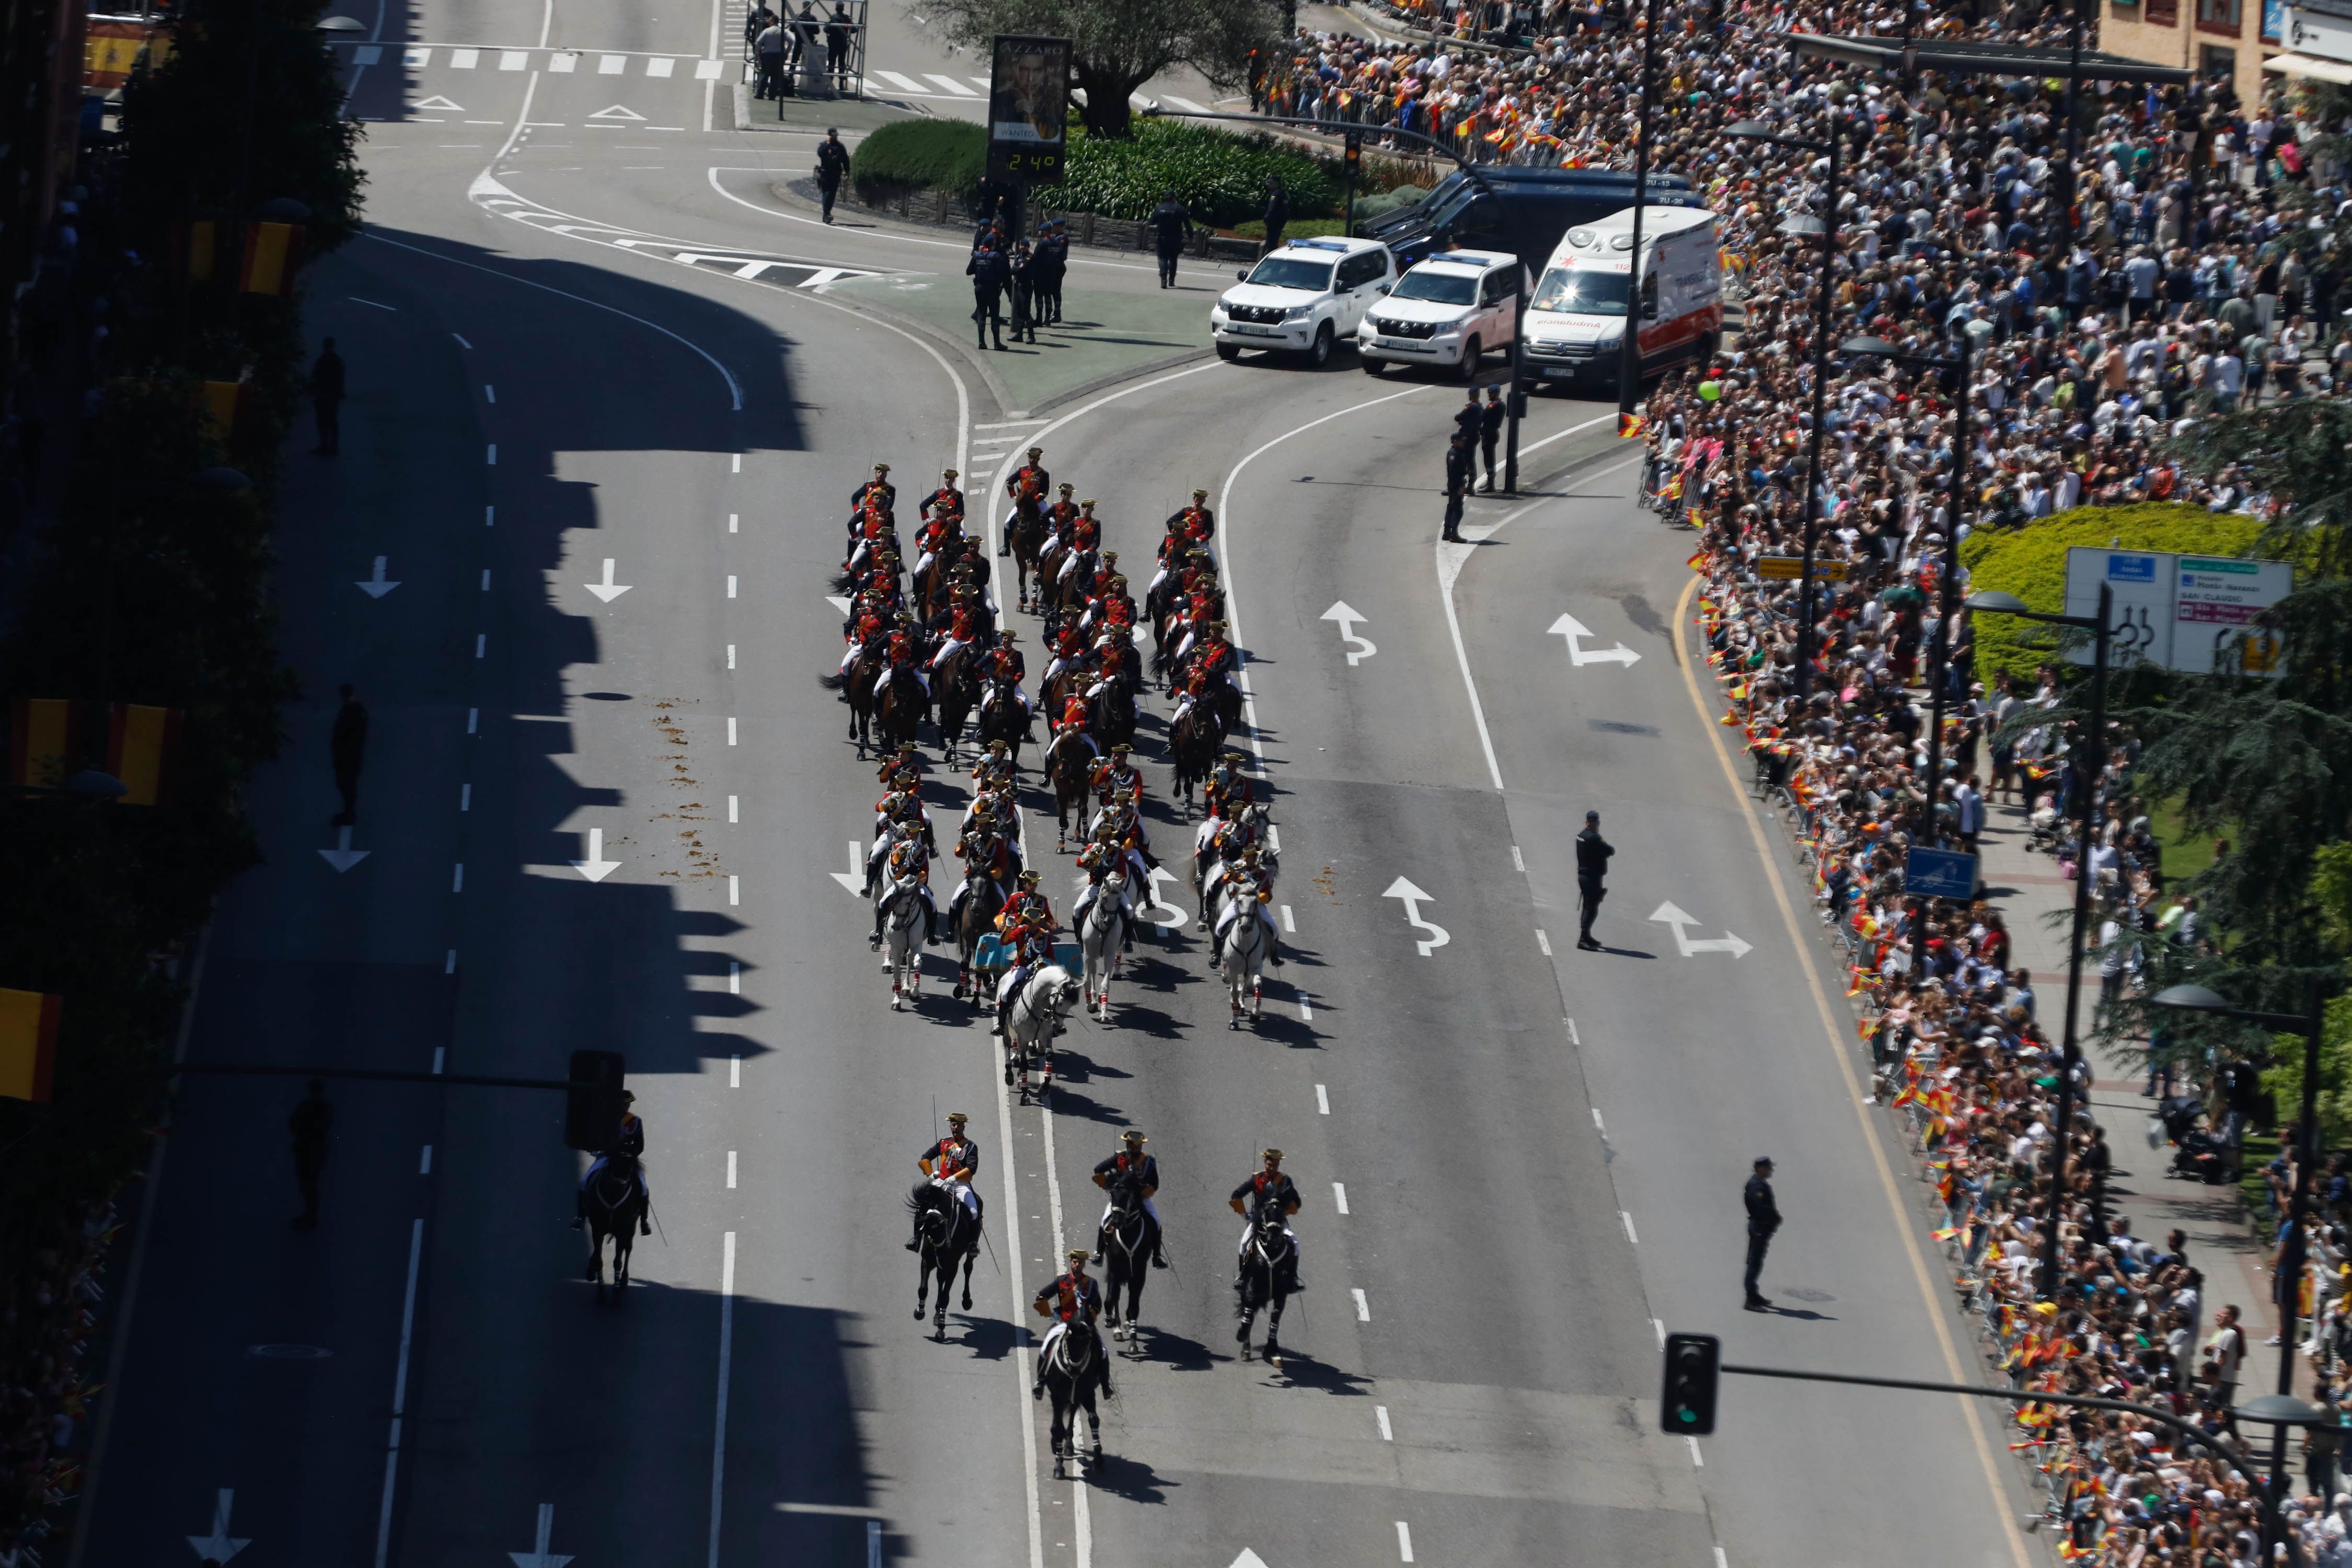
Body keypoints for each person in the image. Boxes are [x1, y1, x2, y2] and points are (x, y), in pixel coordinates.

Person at [1031, 1248, 1112, 1399]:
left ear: (1084, 1265)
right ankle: (1040, 1382)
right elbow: (1042, 1295)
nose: (1077, 1265)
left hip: (1085, 1325)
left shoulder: (1092, 1284)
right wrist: (1045, 1308)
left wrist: (1089, 1317)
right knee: (1046, 1348)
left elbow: (1098, 1305)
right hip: (1064, 1323)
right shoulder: (1061, 1281)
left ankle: (1106, 1386)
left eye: (1080, 1263)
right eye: (1075, 1262)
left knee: (1102, 1351)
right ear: (1071, 1263)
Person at [573, 1090, 652, 1236]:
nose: (626, 1107)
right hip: (607, 1157)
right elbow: (599, 1140)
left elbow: (639, 1146)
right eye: (623, 1104)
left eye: (627, 1104)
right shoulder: (606, 1120)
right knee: (584, 1182)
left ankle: (644, 1222)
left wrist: (628, 1152)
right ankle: (581, 1217)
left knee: (643, 1186)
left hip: (628, 1159)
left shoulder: (635, 1122)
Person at [1092, 1128, 1168, 1268]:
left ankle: (1157, 1256)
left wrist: (1143, 1192)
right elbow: (1099, 1169)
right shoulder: (1119, 1158)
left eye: (1138, 1146)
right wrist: (1110, 1185)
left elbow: (1154, 1183)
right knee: (1105, 1220)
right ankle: (1099, 1253)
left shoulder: (1149, 1162)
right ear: (1128, 1145)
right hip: (1121, 1199)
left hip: (1141, 1198)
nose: (1135, 1148)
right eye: (1132, 1145)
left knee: (1155, 1222)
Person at [907, 1111, 982, 1248]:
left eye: (959, 1125)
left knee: (974, 1211)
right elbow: (926, 1157)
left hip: (960, 1184)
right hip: (941, 1181)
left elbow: (972, 1168)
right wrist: (931, 1173)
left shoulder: (970, 1147)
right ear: (951, 1127)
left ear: (963, 1127)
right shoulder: (943, 1143)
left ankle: (973, 1243)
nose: (956, 1128)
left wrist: (954, 1177)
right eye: (954, 1125)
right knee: (922, 1205)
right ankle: (916, 1239)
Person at [1230, 1148, 1304, 1286]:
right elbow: (1237, 1194)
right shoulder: (1257, 1179)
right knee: (1244, 1244)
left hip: (1277, 1220)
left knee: (1294, 1242)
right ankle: (1243, 1277)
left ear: (1278, 1165)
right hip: (1259, 1220)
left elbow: (1297, 1202)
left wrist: (1284, 1209)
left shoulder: (1286, 1181)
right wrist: (1244, 1214)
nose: (1272, 1168)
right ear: (1265, 1163)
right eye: (1269, 1165)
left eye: (1275, 1166)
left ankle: (1293, 1278)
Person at [289, 1078, 332, 1230]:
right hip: (309, 1149)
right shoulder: (313, 1106)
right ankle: (310, 1216)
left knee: (309, 1184)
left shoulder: (318, 1107)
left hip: (312, 1150)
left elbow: (297, 1125)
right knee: (307, 1183)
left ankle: (311, 1217)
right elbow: (294, 1124)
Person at [1744, 1156, 1780, 1310]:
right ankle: (1750, 1300)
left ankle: (1754, 1295)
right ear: (1760, 1169)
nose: (1771, 1170)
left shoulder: (1760, 1184)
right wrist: (1773, 1218)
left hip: (1762, 1228)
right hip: (1759, 1228)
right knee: (1754, 1263)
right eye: (1768, 1168)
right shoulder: (1756, 1187)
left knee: (1757, 1262)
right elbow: (1760, 1209)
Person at [1575, 809, 1612, 950]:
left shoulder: (1581, 836)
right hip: (1592, 877)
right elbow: (1610, 851)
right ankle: (1583, 939)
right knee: (1591, 909)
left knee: (1588, 906)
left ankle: (1587, 936)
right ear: (1597, 823)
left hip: (1584, 876)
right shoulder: (1595, 838)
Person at [330, 683, 367, 826]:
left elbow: (348, 733)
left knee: (347, 784)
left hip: (348, 755)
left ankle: (349, 814)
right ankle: (348, 812)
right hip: (350, 754)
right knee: (346, 784)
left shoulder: (351, 711)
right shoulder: (358, 710)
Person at [968, 239, 1010, 351]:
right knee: (995, 316)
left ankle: (982, 342)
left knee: (981, 314)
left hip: (980, 288)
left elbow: (969, 271)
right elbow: (1004, 271)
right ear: (993, 246)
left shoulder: (977, 256)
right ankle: (997, 343)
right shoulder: (996, 256)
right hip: (992, 289)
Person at [310, 337, 345, 456]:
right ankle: (329, 447)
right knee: (329, 422)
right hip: (328, 395)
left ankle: (328, 446)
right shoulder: (334, 361)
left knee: (327, 421)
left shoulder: (324, 361)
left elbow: (316, 377)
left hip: (326, 395)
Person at [1149, 190, 1189, 289]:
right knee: (1173, 259)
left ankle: (1163, 280)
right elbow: (1188, 224)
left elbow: (1152, 221)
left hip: (1162, 238)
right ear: (1174, 198)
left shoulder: (1159, 208)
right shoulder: (1180, 209)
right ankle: (1171, 280)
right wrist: (1191, 236)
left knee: (1163, 258)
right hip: (1176, 238)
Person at [1442, 429, 1472, 543]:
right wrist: (1460, 487)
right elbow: (1455, 473)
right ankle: (1453, 534)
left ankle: (1447, 532)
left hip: (1454, 484)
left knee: (1451, 508)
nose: (1463, 443)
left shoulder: (1456, 453)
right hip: (1456, 484)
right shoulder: (1455, 455)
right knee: (1457, 510)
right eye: (1461, 441)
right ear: (1455, 442)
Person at [814, 127, 850, 223]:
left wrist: (847, 171)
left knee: (832, 195)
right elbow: (820, 154)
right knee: (827, 193)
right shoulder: (824, 145)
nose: (835, 137)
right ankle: (827, 214)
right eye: (833, 136)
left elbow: (845, 160)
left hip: (835, 173)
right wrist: (827, 144)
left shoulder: (840, 146)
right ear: (829, 136)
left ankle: (827, 214)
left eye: (836, 136)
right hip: (825, 173)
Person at [1478, 385, 1505, 492]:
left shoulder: (1494, 405)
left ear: (1496, 393)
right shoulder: (1502, 404)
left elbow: (1483, 415)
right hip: (1493, 433)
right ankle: (1490, 482)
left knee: (1488, 459)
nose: (1489, 395)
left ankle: (1491, 484)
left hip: (1489, 433)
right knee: (1489, 458)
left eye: (1491, 393)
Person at [753, 15, 785, 98]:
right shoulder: (782, 31)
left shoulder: (767, 31)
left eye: (770, 21)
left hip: (768, 55)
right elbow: (791, 41)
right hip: (778, 56)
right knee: (775, 77)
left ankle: (760, 94)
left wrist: (759, 52)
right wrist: (787, 52)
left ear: (772, 22)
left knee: (765, 75)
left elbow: (758, 42)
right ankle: (772, 95)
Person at [1261, 174, 1289, 256]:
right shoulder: (1283, 194)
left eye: (1271, 183)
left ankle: (1269, 257)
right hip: (1280, 223)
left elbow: (1271, 209)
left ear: (1276, 184)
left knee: (1270, 243)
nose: (1269, 185)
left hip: (1273, 223)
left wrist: (1266, 218)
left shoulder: (1275, 195)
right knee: (1274, 241)